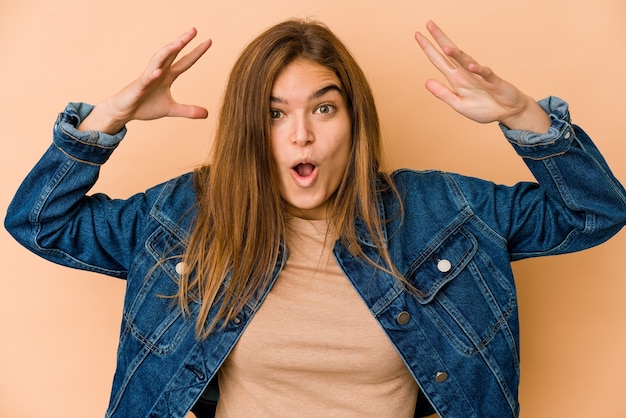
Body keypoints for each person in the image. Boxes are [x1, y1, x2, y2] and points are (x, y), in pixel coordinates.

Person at [5, 18, 626, 418]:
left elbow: (594, 211)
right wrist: (107, 118)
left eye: (324, 109)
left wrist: (524, 116)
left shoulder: (444, 214)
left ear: (354, 121)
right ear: (252, 129)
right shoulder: (189, 218)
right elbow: (38, 221)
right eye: (275, 114)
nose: (301, 136)